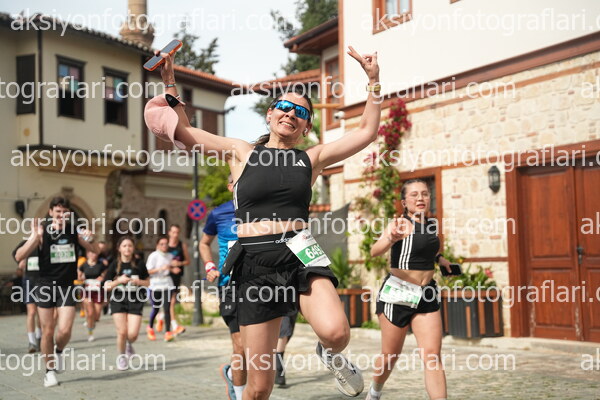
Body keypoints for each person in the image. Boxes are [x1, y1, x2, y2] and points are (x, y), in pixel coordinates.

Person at [145, 45, 381, 399]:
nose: (291, 113)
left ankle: (329, 352)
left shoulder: (312, 158)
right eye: (284, 107)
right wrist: (169, 82)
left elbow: (366, 131)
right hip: (254, 264)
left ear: (307, 126)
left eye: (300, 111)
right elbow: (186, 132)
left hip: (300, 253)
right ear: (270, 114)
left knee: (337, 333)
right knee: (259, 388)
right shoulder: (241, 152)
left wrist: (374, 81)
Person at [366, 179, 452, 400]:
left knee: (432, 356)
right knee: (390, 356)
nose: (420, 198)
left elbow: (428, 250)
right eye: (414, 195)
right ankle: (375, 391)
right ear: (404, 202)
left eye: (424, 193)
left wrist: (441, 260)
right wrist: (390, 238)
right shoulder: (400, 224)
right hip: (399, 294)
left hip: (426, 294)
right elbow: (374, 251)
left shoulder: (431, 224)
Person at [15, 196, 99, 387]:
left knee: (65, 330)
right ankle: (49, 371)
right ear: (51, 212)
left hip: (66, 286)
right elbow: (19, 256)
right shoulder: (42, 230)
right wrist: (35, 237)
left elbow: (94, 250)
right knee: (47, 331)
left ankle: (58, 351)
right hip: (44, 286)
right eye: (58, 211)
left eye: (65, 212)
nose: (61, 215)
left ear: (69, 213)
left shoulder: (74, 230)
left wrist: (91, 237)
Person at [104, 236, 150, 371]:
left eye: (130, 246)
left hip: (135, 300)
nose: (127, 248)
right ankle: (121, 357)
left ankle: (129, 345)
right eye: (124, 246)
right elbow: (106, 286)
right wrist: (118, 281)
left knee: (132, 334)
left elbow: (148, 282)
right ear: (119, 248)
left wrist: (138, 282)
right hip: (118, 300)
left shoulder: (139, 263)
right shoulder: (114, 264)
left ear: (133, 248)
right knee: (122, 332)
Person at [159, 224, 189, 336]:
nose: (175, 235)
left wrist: (179, 263)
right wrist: (171, 266)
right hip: (166, 277)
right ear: (169, 232)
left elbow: (187, 261)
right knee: (171, 302)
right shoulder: (164, 245)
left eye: (177, 232)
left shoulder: (182, 245)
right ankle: (174, 326)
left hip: (177, 276)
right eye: (173, 232)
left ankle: (161, 316)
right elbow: (159, 261)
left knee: (171, 301)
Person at [12, 241, 42, 353]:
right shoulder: (26, 243)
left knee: (41, 312)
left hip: (43, 280)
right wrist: (20, 261)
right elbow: (14, 253)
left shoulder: (46, 241)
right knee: (31, 311)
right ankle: (31, 342)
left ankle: (39, 337)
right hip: (29, 280)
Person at [146, 236, 177, 342]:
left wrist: (173, 269)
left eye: (166, 244)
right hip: (155, 283)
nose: (164, 246)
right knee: (156, 307)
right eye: (162, 244)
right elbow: (148, 271)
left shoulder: (170, 256)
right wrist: (160, 268)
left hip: (167, 283)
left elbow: (171, 267)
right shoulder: (153, 256)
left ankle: (168, 332)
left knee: (167, 308)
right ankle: (150, 327)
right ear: (157, 245)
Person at [78, 250, 108, 342]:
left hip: (98, 291)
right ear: (87, 254)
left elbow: (105, 275)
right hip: (87, 291)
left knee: (97, 315)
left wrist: (102, 278)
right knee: (90, 313)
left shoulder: (101, 264)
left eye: (94, 253)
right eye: (90, 253)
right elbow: (79, 276)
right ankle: (90, 332)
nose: (92, 255)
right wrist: (82, 278)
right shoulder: (84, 265)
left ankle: (91, 322)